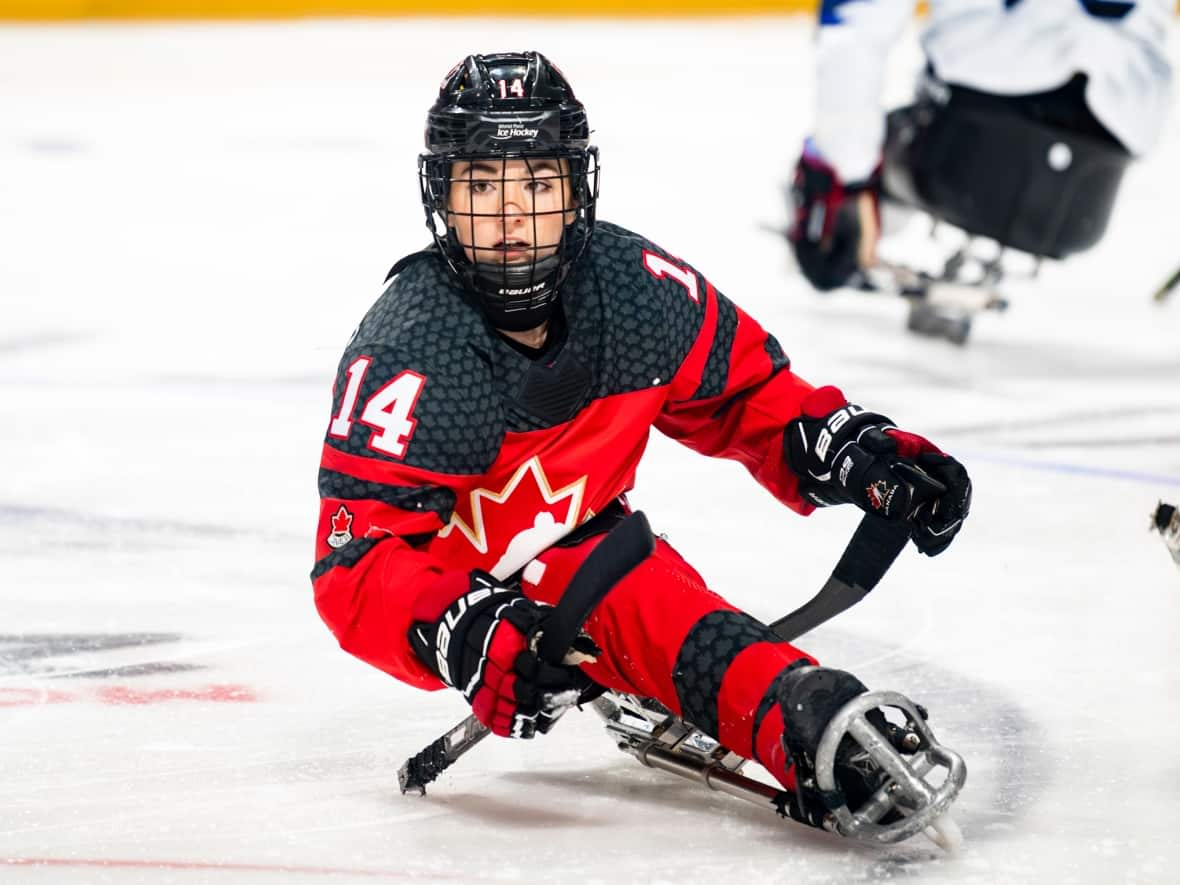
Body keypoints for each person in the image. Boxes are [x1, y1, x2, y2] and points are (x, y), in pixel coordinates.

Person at [311, 52, 972, 834]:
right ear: (442, 198)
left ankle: (810, 719)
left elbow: (748, 396)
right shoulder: (412, 348)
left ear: (578, 188)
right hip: (461, 585)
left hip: (594, 559)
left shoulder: (632, 288)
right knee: (646, 605)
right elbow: (354, 566)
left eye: (538, 183)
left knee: (680, 626)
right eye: (483, 185)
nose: (512, 217)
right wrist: (464, 631)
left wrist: (857, 452)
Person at [788, 0, 1174, 293]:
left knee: (855, 149)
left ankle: (856, 222)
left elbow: (858, 24)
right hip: (1120, 126)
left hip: (976, 110)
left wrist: (845, 177)